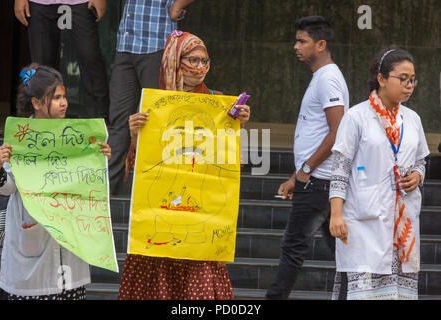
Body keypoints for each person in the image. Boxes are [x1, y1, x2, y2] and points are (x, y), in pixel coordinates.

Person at [117, 30, 250, 300]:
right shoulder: (153, 106)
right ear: (174, 61)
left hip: (200, 220)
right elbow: (142, 166)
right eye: (193, 60)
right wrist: (134, 134)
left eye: (205, 61)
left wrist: (239, 127)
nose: (201, 68)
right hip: (161, 222)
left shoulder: (218, 102)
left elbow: (229, 164)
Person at [0, 63, 112, 300]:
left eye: (64, 96)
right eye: (56, 97)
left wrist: (99, 158)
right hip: (32, 238)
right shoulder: (21, 137)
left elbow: (86, 182)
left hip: (69, 238)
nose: (64, 102)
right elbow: (8, 189)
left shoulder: (74, 136)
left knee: (67, 287)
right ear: (36, 103)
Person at [329, 49, 429, 300]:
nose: (409, 86)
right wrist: (336, 213)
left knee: (399, 292)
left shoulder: (413, 119)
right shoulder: (357, 116)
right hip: (363, 219)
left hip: (402, 223)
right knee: (365, 290)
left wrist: (417, 175)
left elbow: (421, 160)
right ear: (381, 78)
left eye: (412, 80)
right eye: (403, 78)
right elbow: (340, 168)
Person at [266, 16, 349, 300]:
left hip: (317, 182)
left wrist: (306, 169)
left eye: (302, 41)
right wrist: (294, 176)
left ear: (321, 44)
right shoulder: (323, 77)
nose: (295, 46)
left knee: (292, 251)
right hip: (318, 181)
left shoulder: (328, 79)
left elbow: (338, 132)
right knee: (344, 255)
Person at [107, 0, 195, 195]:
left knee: (157, 121)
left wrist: (177, 5)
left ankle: (156, 194)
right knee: (119, 120)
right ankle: (106, 194)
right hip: (126, 44)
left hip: (157, 44)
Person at [14, 0, 109, 119]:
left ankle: (99, 123)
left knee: (90, 60)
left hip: (81, 3)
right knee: (42, 69)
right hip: (40, 3)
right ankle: (42, 126)